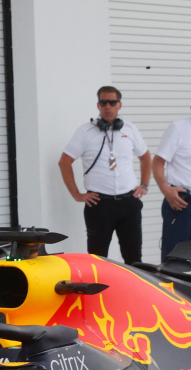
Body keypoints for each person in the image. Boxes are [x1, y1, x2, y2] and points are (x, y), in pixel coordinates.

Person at [58, 86, 151, 265]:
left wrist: (144, 184)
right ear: (98, 105)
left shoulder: (130, 129)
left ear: (119, 105)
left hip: (128, 202)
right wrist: (77, 195)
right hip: (99, 205)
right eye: (103, 102)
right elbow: (64, 162)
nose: (108, 106)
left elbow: (145, 157)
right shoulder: (85, 131)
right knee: (98, 259)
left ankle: (132, 292)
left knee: (134, 258)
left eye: (112, 102)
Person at [152, 115, 191, 260]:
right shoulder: (178, 128)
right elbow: (157, 162)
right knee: (175, 261)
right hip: (183, 204)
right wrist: (166, 190)